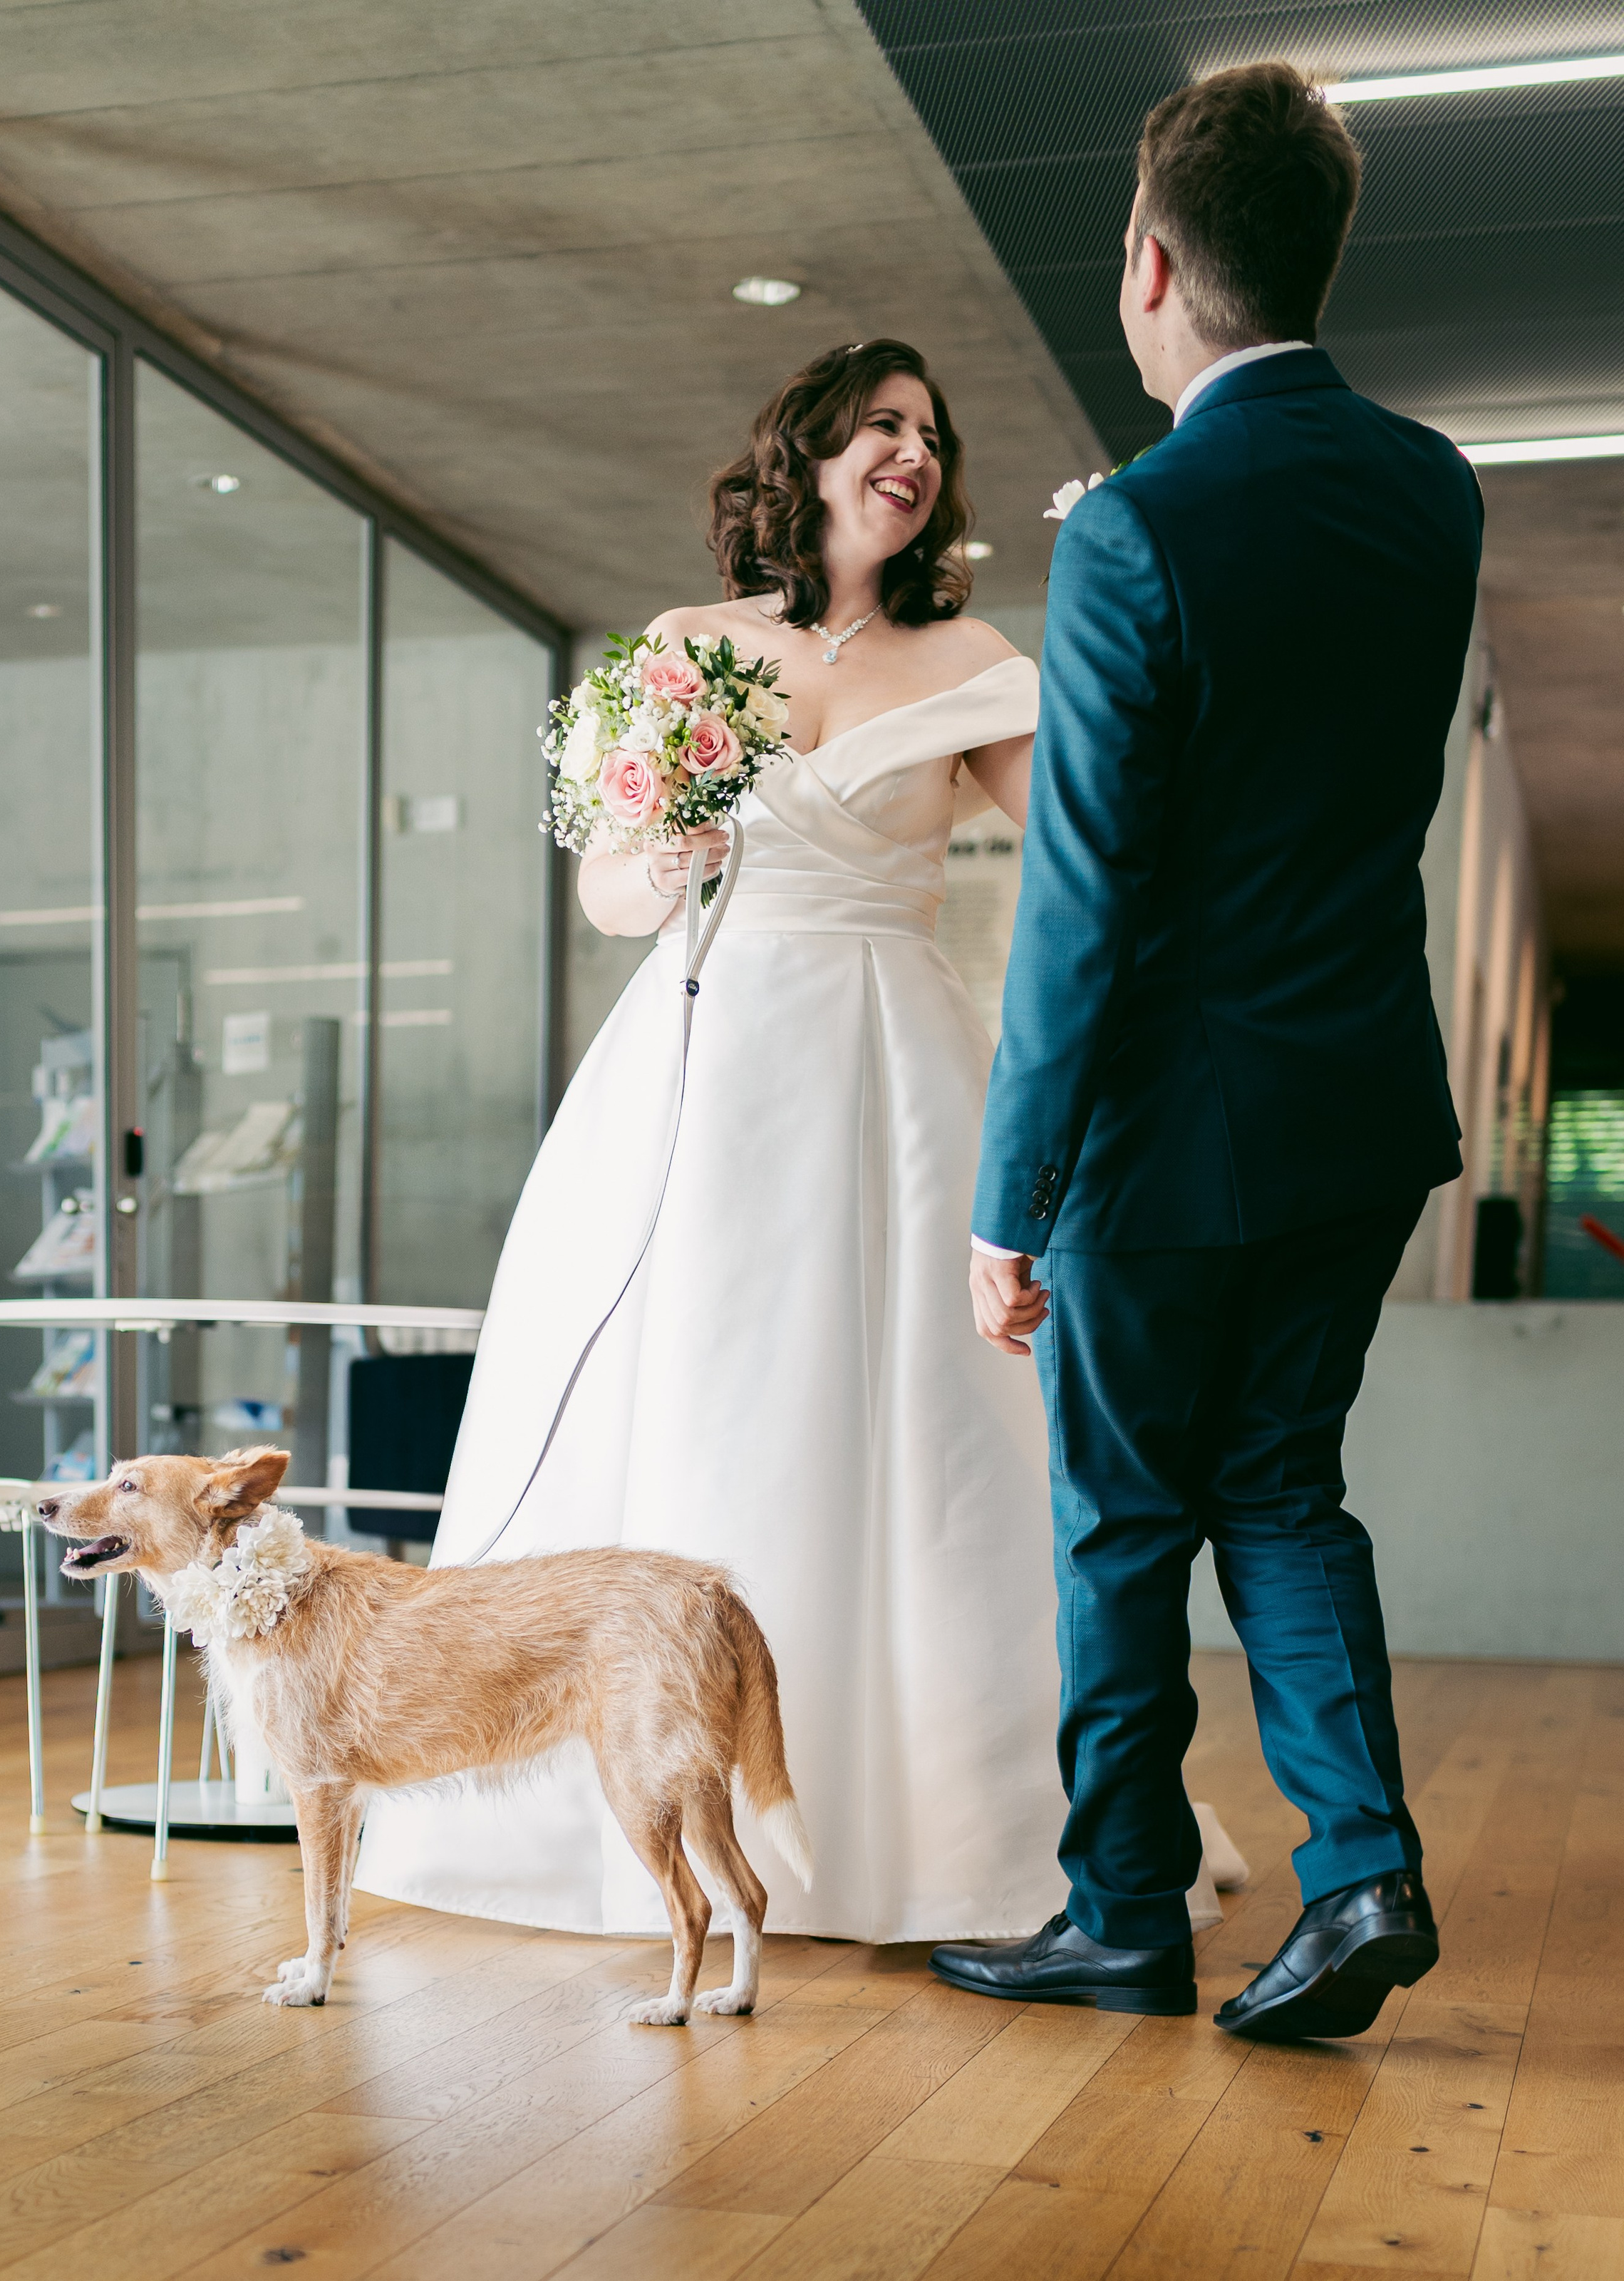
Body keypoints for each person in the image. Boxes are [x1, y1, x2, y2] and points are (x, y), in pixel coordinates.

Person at [354, 339, 1235, 1947]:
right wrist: (667, 856)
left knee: (908, 1405)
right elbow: (609, 890)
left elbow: (1092, 836)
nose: (911, 449)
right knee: (689, 1373)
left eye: (929, 432)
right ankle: (633, 1782)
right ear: (809, 454)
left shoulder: (971, 656)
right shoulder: (692, 651)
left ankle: (929, 1811)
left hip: (891, 1057)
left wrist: (1147, 596)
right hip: (702, 1057)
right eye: (881, 424)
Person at [933, 63, 1481, 2037]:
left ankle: (1123, 1914)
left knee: (1124, 1524)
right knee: (1282, 1491)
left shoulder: (1138, 533)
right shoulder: (1435, 487)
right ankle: (1360, 1875)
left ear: (1153, 263)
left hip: (1170, 1133)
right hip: (1359, 1103)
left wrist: (1014, 1199)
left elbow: (1080, 909)